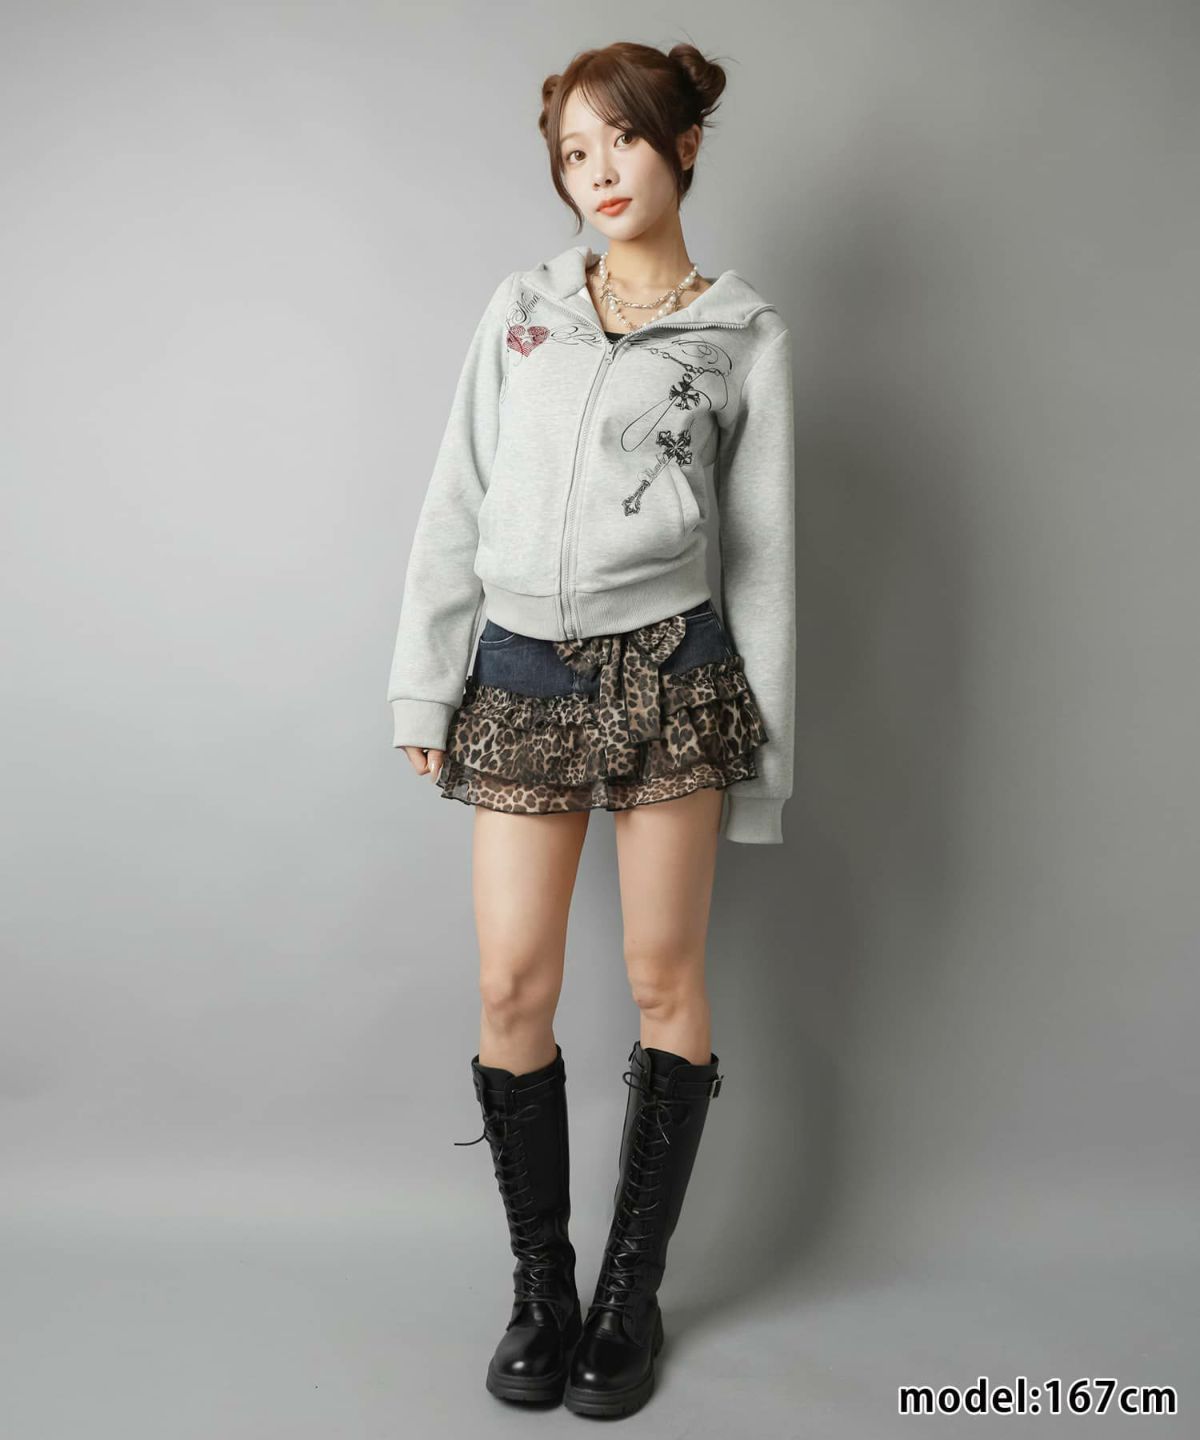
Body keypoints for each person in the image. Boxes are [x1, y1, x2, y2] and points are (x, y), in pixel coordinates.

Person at [386, 39, 795, 1419]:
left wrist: (765, 766)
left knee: (665, 976)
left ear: (684, 145)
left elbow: (763, 561)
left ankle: (630, 1294)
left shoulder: (744, 337)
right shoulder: (523, 311)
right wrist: (425, 681)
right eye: (573, 151)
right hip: (520, 672)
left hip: (676, 671)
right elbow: (458, 495)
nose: (598, 171)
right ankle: (542, 1287)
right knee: (514, 985)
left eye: (621, 139)